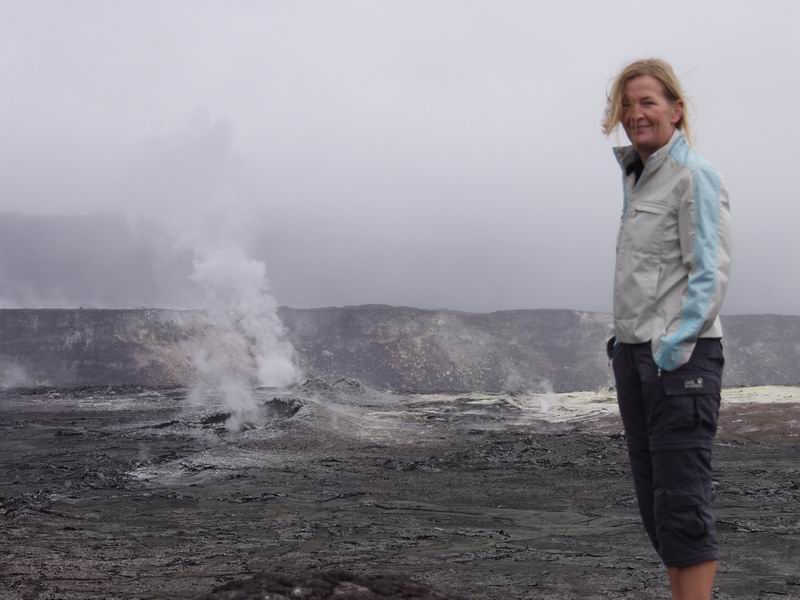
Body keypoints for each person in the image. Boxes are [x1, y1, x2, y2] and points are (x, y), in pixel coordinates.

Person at [602, 58, 732, 600]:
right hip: (637, 356)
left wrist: (672, 347)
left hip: (679, 361)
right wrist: (624, 347)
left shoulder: (693, 176)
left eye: (648, 102)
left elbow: (710, 270)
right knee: (657, 507)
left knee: (682, 504)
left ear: (676, 110)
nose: (636, 113)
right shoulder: (640, 176)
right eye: (627, 104)